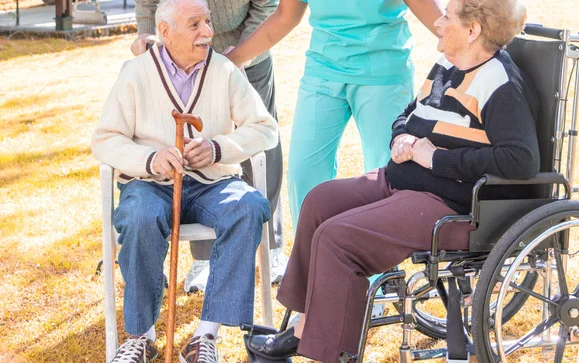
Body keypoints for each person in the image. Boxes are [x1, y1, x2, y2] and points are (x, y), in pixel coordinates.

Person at [246, 0, 539, 362]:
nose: (439, 23)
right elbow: (409, 113)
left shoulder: (499, 83)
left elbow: (521, 159)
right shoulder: (450, 62)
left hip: (446, 203)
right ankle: (305, 324)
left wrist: (437, 158)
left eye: (447, 16)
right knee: (319, 201)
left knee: (337, 238)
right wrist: (401, 136)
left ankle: (328, 351)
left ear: (472, 30)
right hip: (404, 181)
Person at [91, 0, 278, 361]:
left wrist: (218, 148)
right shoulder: (135, 73)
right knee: (139, 215)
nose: (208, 32)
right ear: (165, 32)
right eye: (194, 25)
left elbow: (264, 129)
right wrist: (150, 158)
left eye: (207, 21)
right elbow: (106, 138)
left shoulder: (224, 70)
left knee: (249, 206)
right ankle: (140, 337)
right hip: (149, 183)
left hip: (213, 183)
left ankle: (205, 336)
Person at [226, 0, 443, 230]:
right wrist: (231, 61)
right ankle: (311, 257)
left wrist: (470, 47)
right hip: (323, 69)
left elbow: (430, 11)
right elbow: (285, 16)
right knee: (304, 174)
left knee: (386, 175)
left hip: (382, 69)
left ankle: (381, 263)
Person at [130, 0, 288, 290]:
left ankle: (272, 246)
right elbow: (147, 4)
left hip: (246, 47)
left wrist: (237, 56)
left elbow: (268, 7)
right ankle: (203, 258)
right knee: (190, 148)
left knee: (261, 147)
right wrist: (147, 40)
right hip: (181, 52)